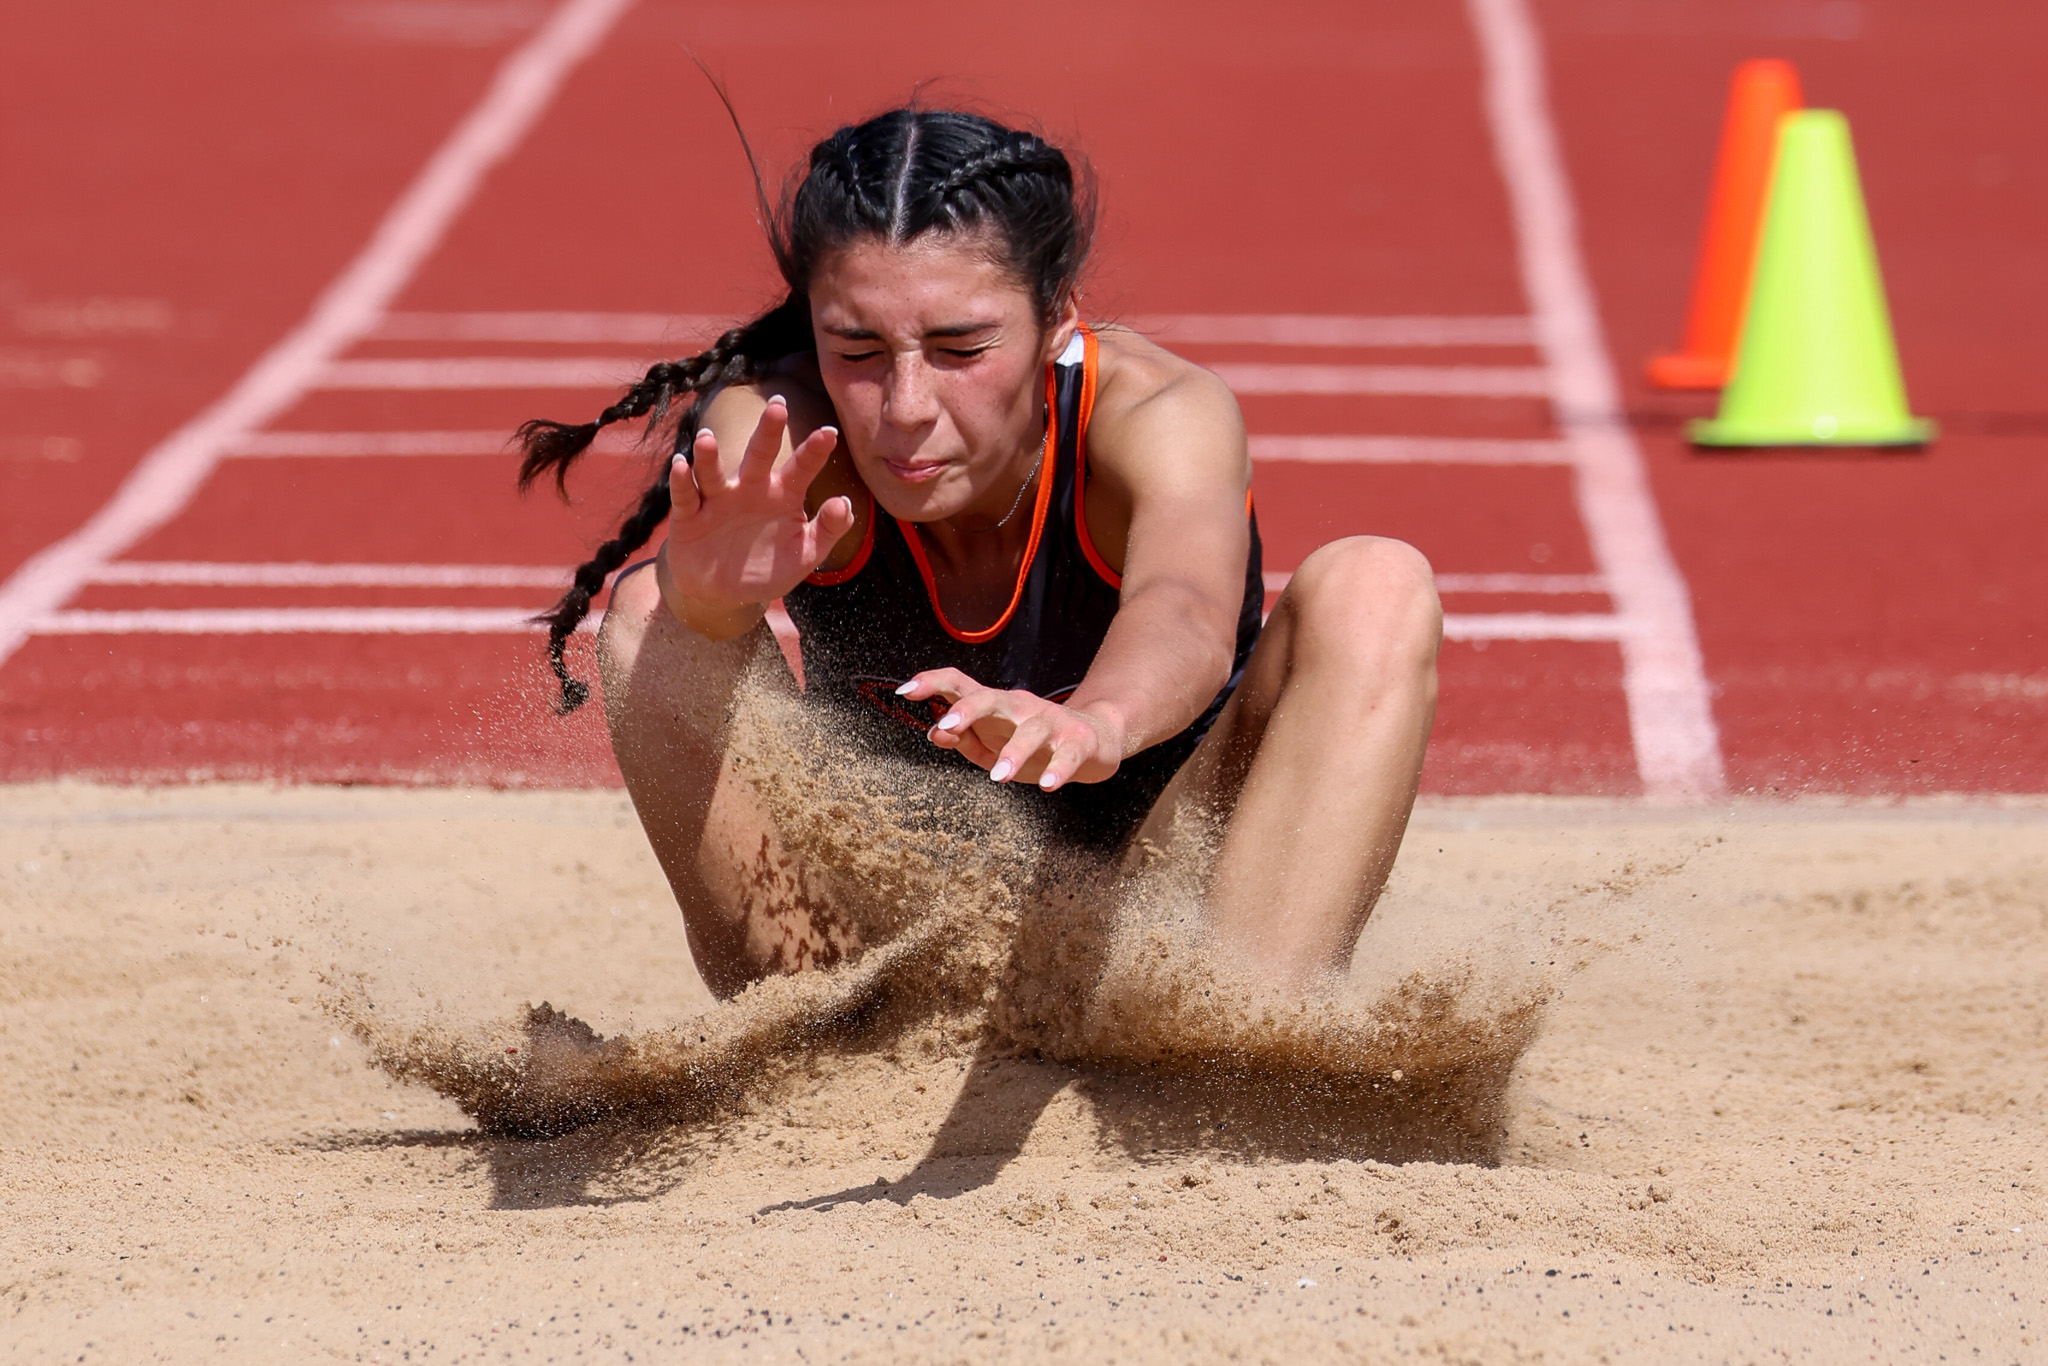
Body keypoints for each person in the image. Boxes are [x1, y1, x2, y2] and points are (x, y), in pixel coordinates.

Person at [517, 108, 1440, 1002]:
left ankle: (1239, 1043)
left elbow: (1188, 607)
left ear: (1059, 318)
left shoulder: (1160, 416)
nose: (907, 405)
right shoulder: (783, 433)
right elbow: (696, 619)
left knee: (1376, 585)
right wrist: (710, 601)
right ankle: (816, 1042)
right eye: (859, 349)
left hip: (1157, 903)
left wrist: (1096, 724)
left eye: (961, 347)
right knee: (650, 614)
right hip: (893, 924)